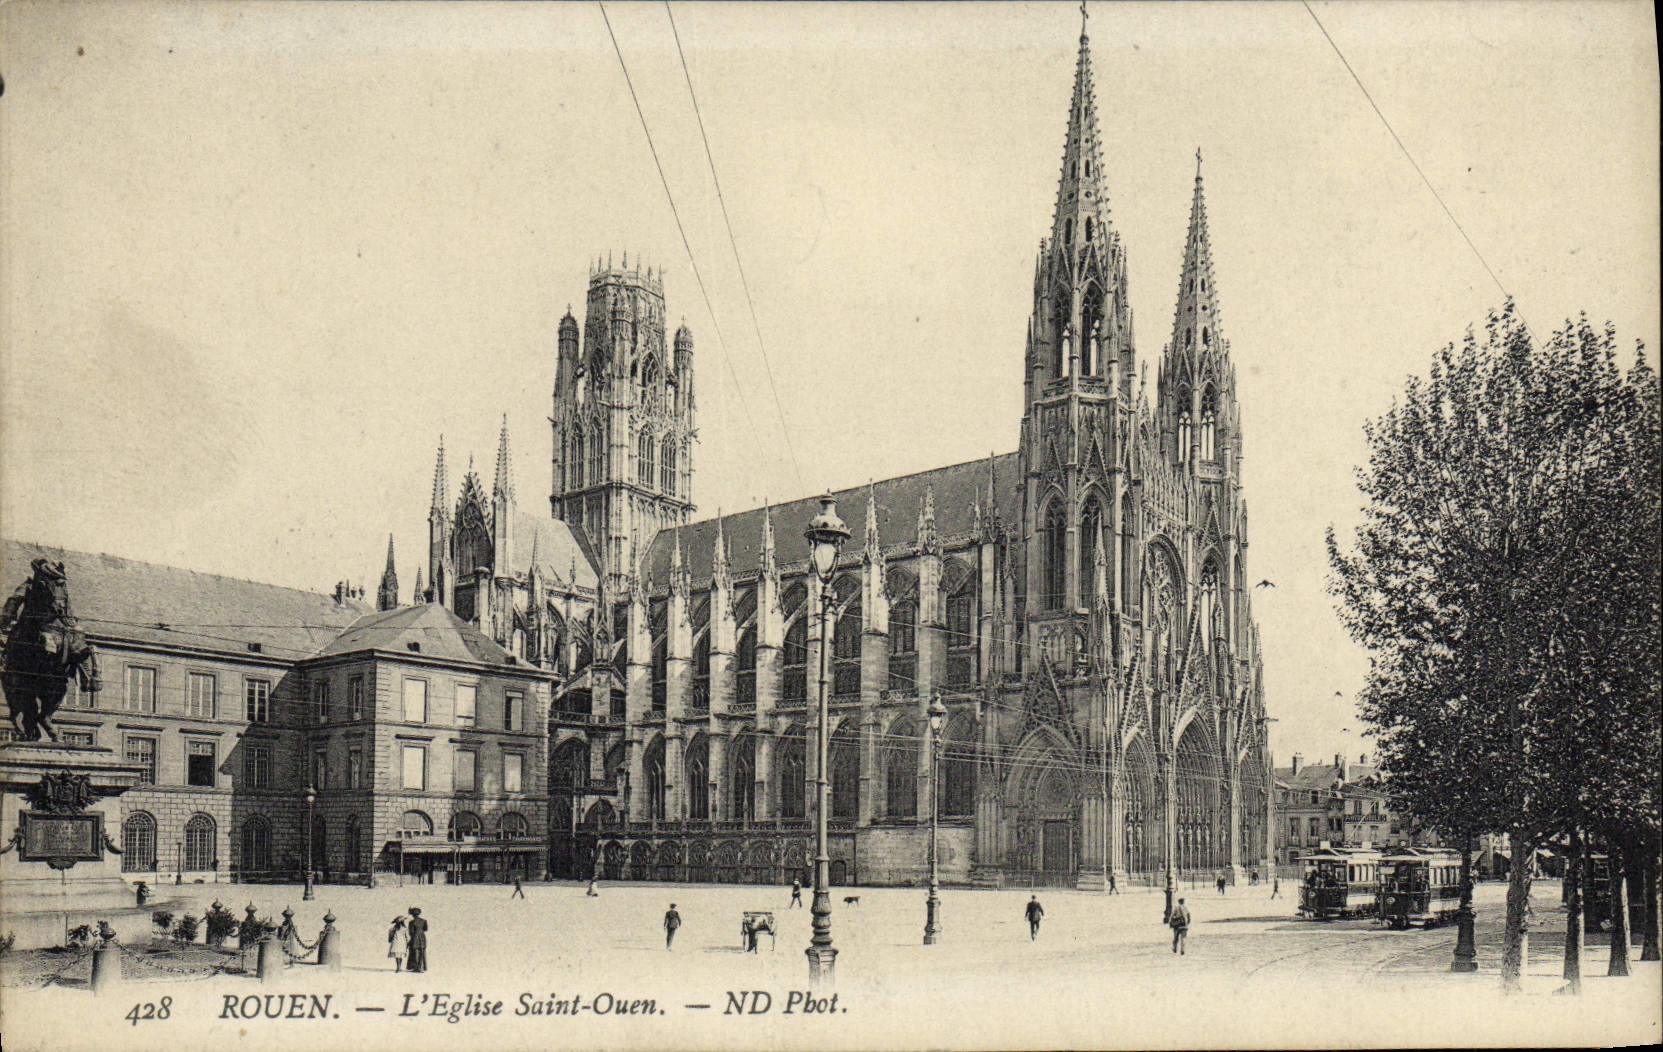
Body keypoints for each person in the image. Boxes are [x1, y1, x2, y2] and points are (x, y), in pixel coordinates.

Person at [405, 907, 428, 973]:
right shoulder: (424, 921)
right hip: (422, 937)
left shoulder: (411, 922)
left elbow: (411, 932)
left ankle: (416, 968)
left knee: (415, 952)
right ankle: (421, 968)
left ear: (412, 915)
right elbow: (425, 929)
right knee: (422, 951)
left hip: (415, 937)